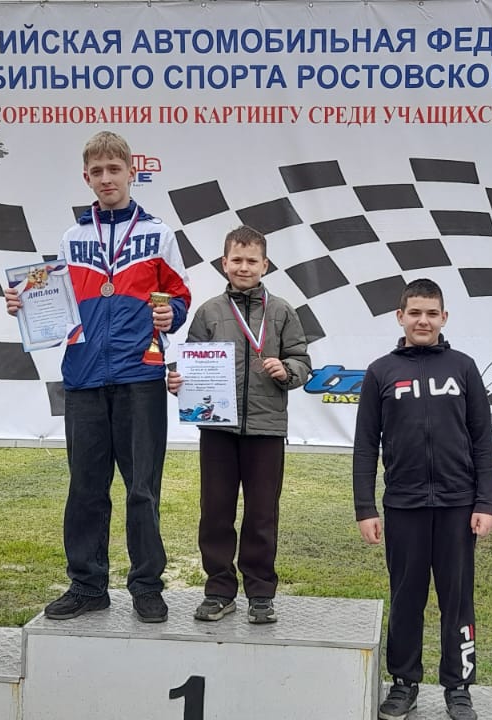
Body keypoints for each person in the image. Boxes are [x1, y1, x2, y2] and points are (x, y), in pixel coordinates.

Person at [5, 131, 191, 624]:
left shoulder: (159, 233)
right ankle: (87, 586)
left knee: (142, 489)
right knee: (86, 488)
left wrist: (172, 312)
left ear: (132, 172)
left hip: (140, 374)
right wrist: (24, 303)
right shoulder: (72, 238)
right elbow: (53, 299)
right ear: (86, 178)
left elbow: (179, 295)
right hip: (85, 375)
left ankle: (146, 587)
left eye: (115, 169)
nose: (107, 178)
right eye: (97, 171)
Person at [352, 279, 492, 720]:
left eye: (432, 313)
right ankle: (404, 682)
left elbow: (483, 440)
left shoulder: (464, 368)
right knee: (406, 598)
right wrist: (365, 508)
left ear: (444, 318)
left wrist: (486, 503)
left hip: (458, 506)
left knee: (457, 599)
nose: (423, 321)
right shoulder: (380, 371)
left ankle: (459, 685)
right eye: (415, 313)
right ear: (400, 317)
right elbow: (365, 445)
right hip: (404, 505)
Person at [166, 225, 312, 624]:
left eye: (251, 261)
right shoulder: (209, 312)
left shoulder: (281, 311)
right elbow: (191, 363)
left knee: (262, 514)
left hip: (266, 429)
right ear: (223, 263)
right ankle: (218, 590)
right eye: (237, 260)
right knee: (215, 512)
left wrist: (287, 369)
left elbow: (302, 361)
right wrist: (179, 383)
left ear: (265, 265)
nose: (243, 267)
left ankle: (260, 593)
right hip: (217, 430)